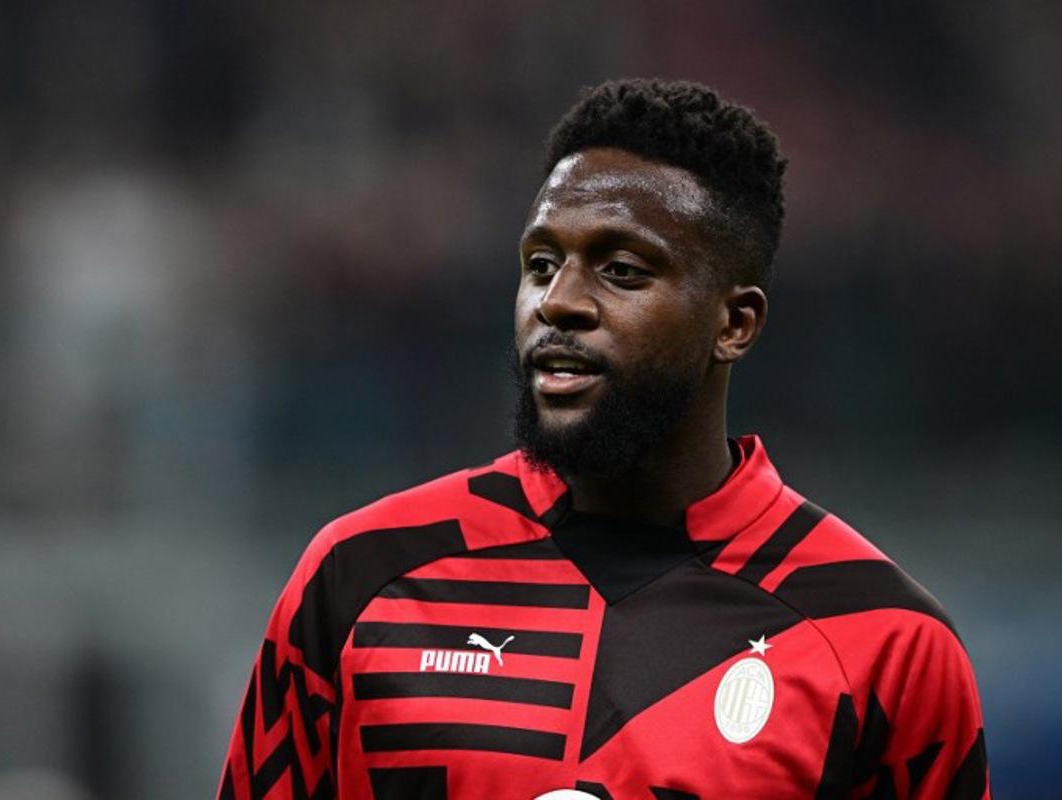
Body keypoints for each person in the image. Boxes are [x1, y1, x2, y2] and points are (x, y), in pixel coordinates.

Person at [217, 78, 990, 800]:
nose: (559, 303)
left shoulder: (883, 643)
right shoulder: (362, 579)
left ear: (734, 323)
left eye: (620, 271)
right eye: (541, 264)